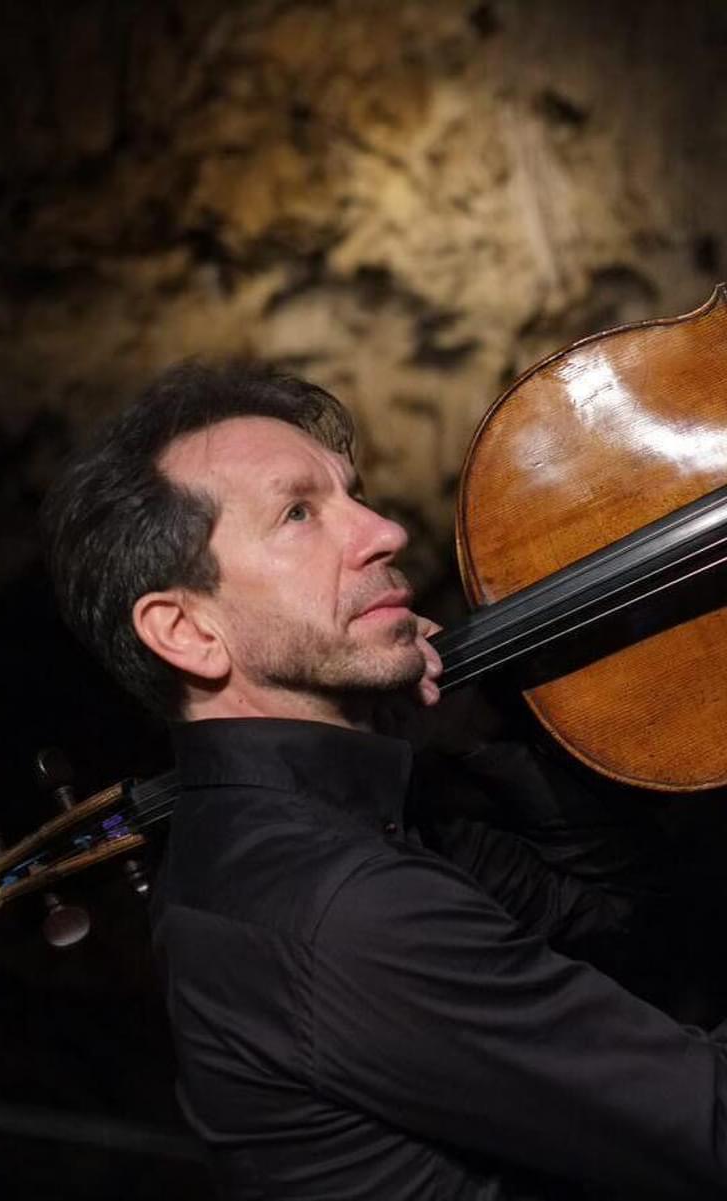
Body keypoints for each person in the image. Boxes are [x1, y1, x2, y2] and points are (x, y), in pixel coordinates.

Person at [43, 360, 727, 1200]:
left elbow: (625, 928)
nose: (383, 530)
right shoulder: (336, 903)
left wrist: (485, 732)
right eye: (298, 512)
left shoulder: (327, 823)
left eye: (353, 494)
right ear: (186, 630)